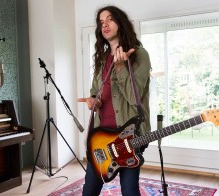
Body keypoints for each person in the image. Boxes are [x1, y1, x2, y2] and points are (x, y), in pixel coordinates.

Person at [77, 5, 151, 196]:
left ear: (120, 23)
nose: (105, 24)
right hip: (101, 137)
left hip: (129, 136)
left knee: (129, 191)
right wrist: (94, 100)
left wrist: (120, 68)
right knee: (89, 190)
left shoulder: (139, 55)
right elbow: (96, 91)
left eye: (110, 19)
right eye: (101, 22)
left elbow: (135, 99)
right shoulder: (102, 59)